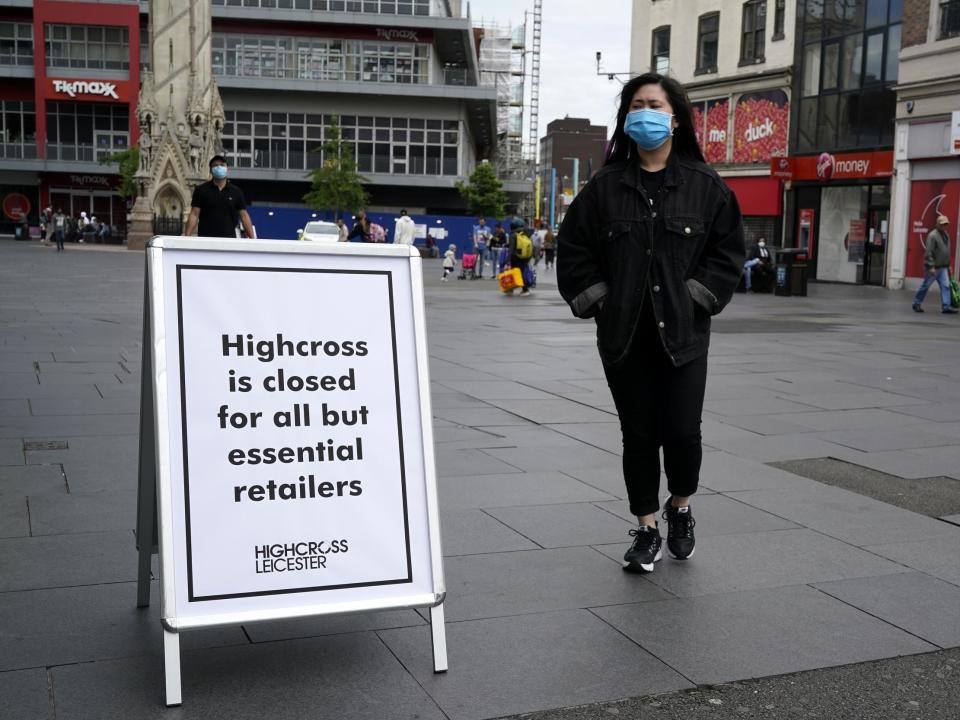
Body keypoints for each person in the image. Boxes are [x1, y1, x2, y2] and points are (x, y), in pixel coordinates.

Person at [558, 73, 744, 573]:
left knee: (683, 432)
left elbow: (727, 254)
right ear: (627, 117)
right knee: (638, 435)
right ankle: (645, 527)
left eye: (654, 104)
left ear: (674, 117)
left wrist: (696, 297)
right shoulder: (603, 188)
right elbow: (574, 253)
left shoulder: (707, 187)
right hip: (624, 337)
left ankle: (680, 506)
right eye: (637, 104)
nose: (645, 111)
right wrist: (600, 300)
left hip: (683, 336)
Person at [184, 156, 255, 238]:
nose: (219, 167)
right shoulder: (201, 190)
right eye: (215, 165)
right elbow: (194, 214)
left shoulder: (236, 192)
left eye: (222, 165)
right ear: (210, 170)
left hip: (229, 240)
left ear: (227, 169)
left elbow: (244, 216)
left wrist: (252, 238)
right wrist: (186, 237)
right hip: (206, 239)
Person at [913, 215, 957, 314]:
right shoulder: (933, 236)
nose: (944, 226)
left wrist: (948, 265)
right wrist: (931, 266)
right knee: (925, 286)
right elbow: (929, 252)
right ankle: (916, 303)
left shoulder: (946, 235)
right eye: (942, 224)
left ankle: (946, 306)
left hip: (943, 267)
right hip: (933, 268)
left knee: (946, 286)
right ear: (937, 224)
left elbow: (946, 252)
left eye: (946, 224)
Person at [508, 216, 533, 296]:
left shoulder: (513, 235)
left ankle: (524, 289)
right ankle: (519, 289)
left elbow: (511, 248)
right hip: (524, 257)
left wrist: (508, 259)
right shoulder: (525, 233)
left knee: (515, 273)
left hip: (515, 257)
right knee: (521, 273)